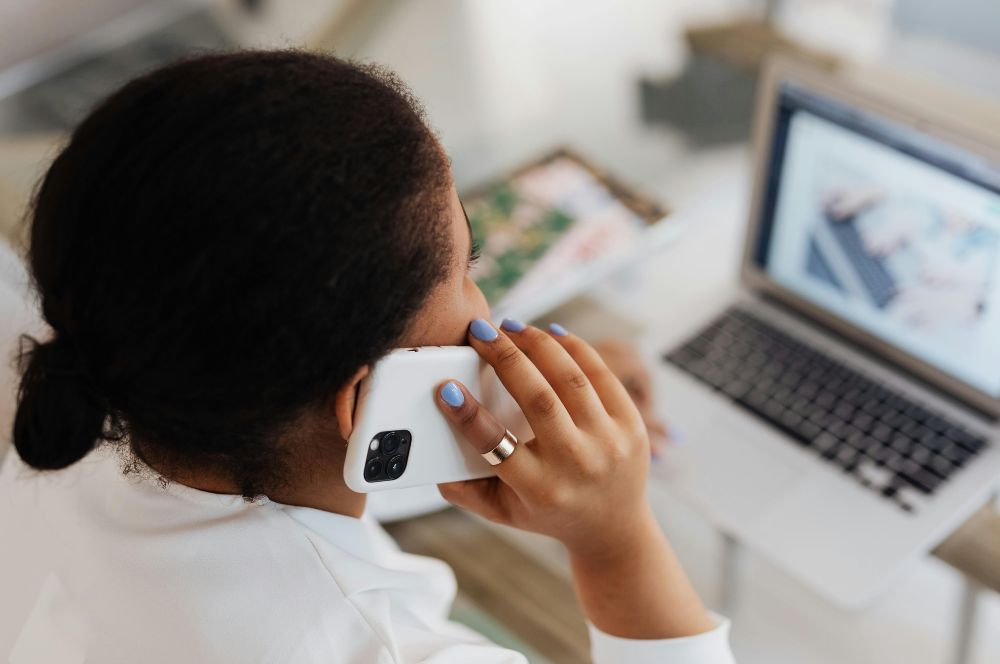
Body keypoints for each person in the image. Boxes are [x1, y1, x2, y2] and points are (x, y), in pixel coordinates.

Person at [0, 51, 735, 663]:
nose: (487, 303)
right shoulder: (379, 646)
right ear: (359, 403)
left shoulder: (91, 401)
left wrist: (502, 438)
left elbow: (302, 467)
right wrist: (614, 539)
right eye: (467, 268)